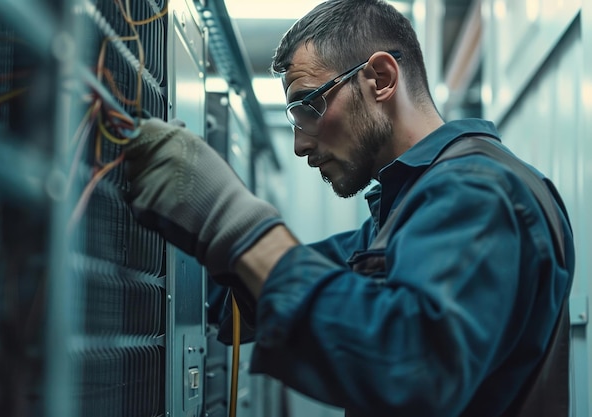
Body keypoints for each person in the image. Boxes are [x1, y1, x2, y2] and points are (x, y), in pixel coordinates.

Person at [123, 0, 575, 415]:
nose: (301, 144)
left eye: (309, 107)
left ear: (380, 78)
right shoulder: (408, 210)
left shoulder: (480, 192)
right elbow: (260, 291)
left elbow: (409, 367)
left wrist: (231, 219)